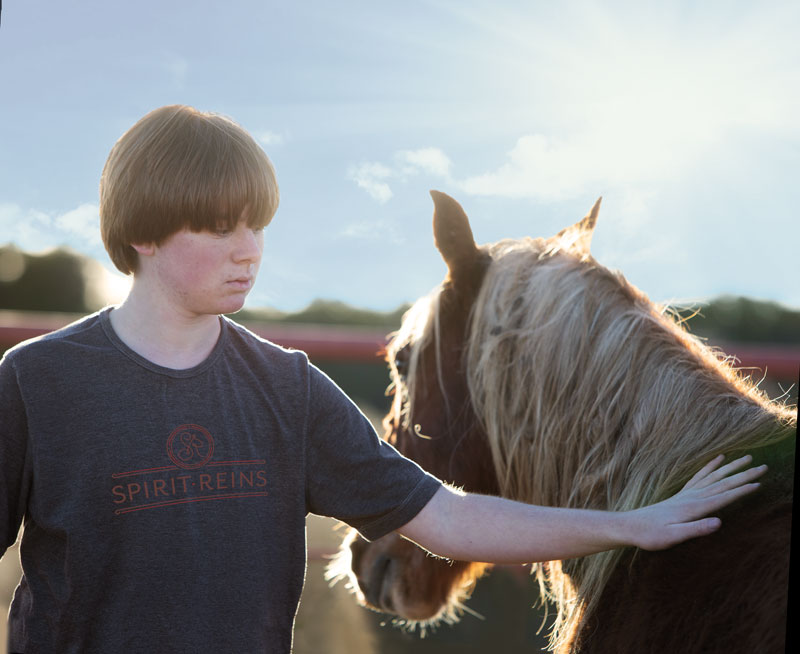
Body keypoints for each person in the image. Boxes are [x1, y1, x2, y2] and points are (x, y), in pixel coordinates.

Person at [0, 105, 766, 653]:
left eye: (257, 224)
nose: (250, 250)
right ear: (141, 230)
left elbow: (451, 520)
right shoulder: (36, 383)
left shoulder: (288, 389)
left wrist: (634, 523)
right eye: (220, 226)